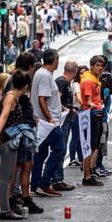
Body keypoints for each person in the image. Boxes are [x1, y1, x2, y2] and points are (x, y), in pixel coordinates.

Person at [0, 69, 31, 220]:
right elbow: (2, 117)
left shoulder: (14, 97)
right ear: (25, 85)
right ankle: (4, 210)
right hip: (7, 141)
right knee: (5, 176)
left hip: (14, 140)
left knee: (8, 175)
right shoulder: (10, 98)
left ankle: (6, 208)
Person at [30, 49, 65, 196]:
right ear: (55, 59)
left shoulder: (42, 74)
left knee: (40, 154)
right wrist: (50, 118)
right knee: (60, 150)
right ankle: (44, 183)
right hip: (48, 124)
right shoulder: (44, 76)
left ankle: (35, 185)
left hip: (43, 123)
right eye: (58, 58)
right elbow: (42, 98)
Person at [51, 61, 78, 191]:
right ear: (76, 70)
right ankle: (57, 179)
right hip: (62, 120)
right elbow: (56, 99)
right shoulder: (62, 82)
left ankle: (57, 178)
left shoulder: (65, 82)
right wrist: (66, 109)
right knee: (60, 149)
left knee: (61, 149)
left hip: (66, 119)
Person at [80, 55, 105, 186]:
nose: (100, 68)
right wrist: (93, 104)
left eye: (102, 66)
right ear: (91, 66)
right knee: (90, 147)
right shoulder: (89, 81)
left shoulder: (95, 79)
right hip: (92, 115)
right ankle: (87, 176)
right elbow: (88, 100)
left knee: (94, 146)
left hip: (97, 114)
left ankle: (89, 173)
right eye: (97, 65)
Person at [69, 65, 88, 167]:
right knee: (76, 136)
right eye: (81, 73)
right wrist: (82, 102)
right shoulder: (76, 84)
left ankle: (81, 158)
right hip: (76, 110)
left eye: (85, 73)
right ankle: (72, 158)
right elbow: (78, 95)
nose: (83, 75)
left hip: (83, 110)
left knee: (82, 137)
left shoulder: (87, 83)